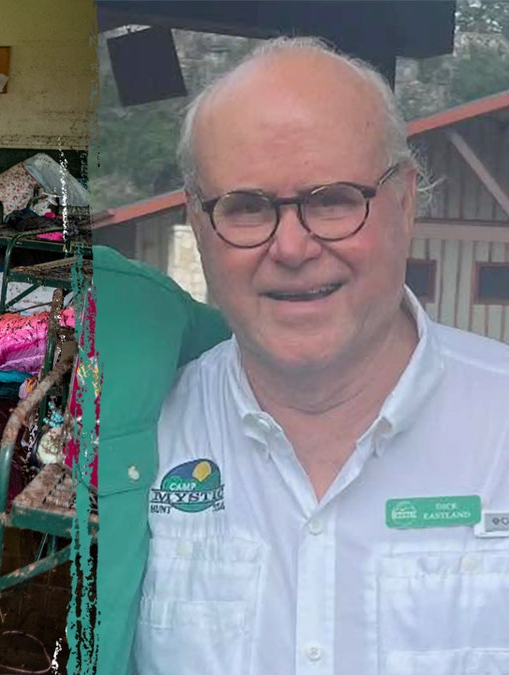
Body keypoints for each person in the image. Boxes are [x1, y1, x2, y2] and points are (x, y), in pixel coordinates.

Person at [134, 36, 509, 675]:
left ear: (405, 201)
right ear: (199, 226)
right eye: (247, 207)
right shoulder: (142, 441)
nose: (292, 247)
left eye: (332, 199)